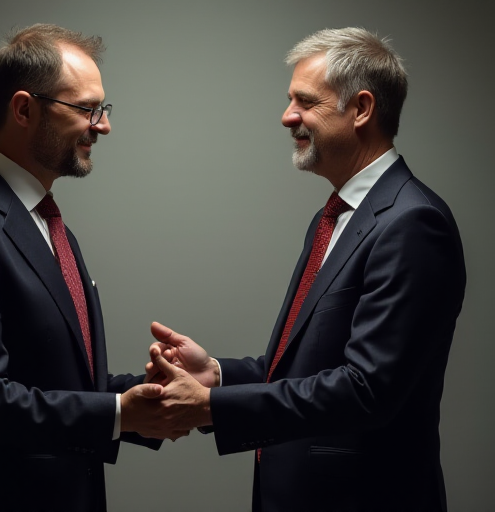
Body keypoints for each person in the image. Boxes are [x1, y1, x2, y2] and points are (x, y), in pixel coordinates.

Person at [142, 27, 466, 511]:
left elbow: (366, 390)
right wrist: (217, 376)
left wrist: (210, 407)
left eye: (305, 102)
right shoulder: (332, 217)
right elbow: (306, 369)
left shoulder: (413, 223)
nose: (287, 116)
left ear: (361, 109)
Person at [0, 24, 178, 512]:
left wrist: (153, 395)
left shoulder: (50, 226)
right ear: (24, 109)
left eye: (103, 109)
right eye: (86, 109)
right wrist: (118, 413)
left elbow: (62, 384)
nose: (103, 126)